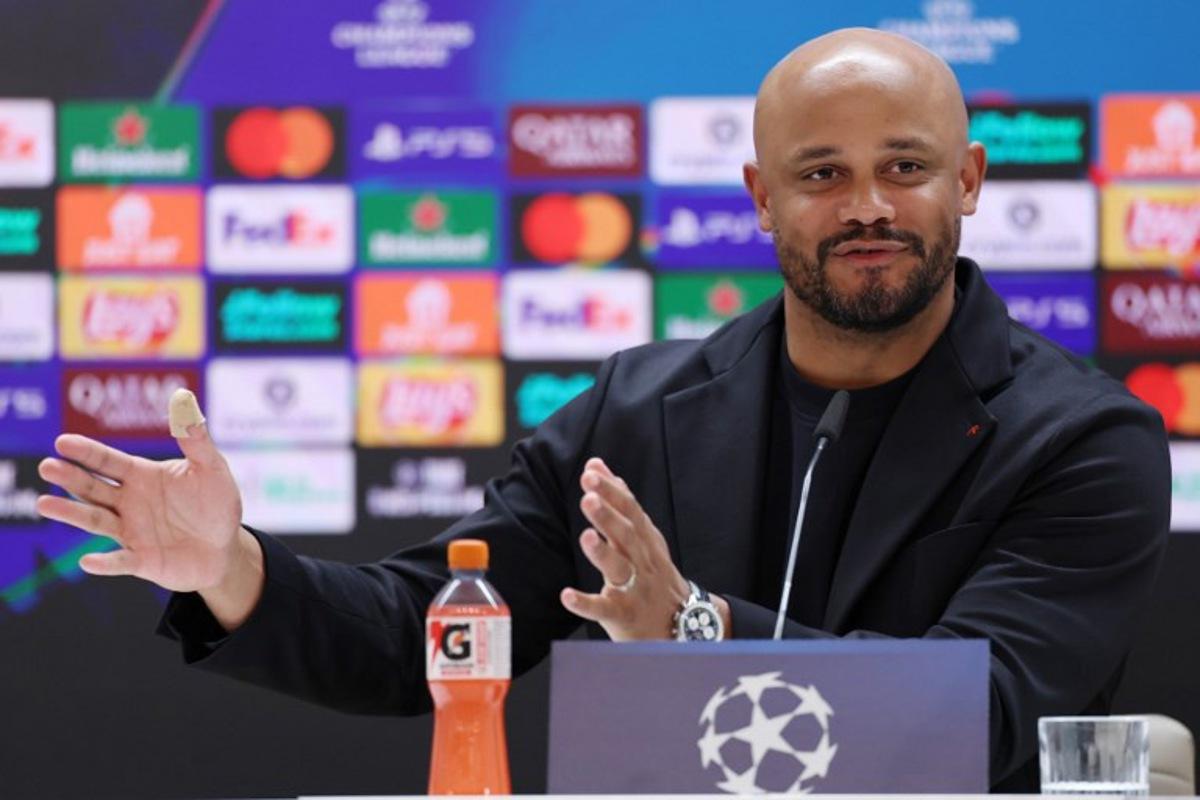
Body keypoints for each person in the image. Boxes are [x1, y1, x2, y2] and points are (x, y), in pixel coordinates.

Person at [35, 28, 1169, 791]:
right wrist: (225, 564)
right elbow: (422, 638)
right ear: (760, 198)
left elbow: (984, 719)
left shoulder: (1080, 438)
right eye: (821, 174)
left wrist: (697, 630)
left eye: (905, 167)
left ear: (969, 179)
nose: (867, 206)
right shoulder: (639, 407)